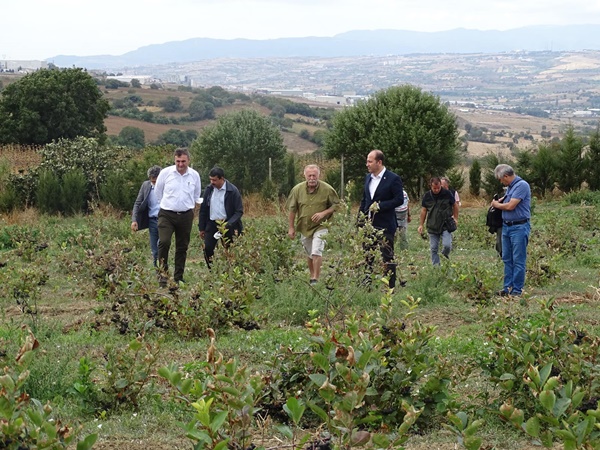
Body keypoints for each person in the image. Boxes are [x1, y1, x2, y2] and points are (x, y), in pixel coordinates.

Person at [154, 148, 201, 285]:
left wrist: (189, 207)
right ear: (174, 160)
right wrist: (168, 204)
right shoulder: (165, 173)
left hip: (186, 215)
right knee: (164, 242)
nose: (180, 164)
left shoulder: (194, 175)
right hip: (167, 214)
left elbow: (196, 195)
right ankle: (163, 276)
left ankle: (178, 277)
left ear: (189, 161)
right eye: (178, 161)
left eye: (183, 161)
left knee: (182, 246)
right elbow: (158, 192)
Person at [287, 164, 340, 285]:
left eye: (314, 175)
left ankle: (316, 278)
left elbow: (336, 205)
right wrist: (291, 227)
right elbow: (292, 209)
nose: (312, 178)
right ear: (305, 175)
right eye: (309, 175)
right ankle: (312, 276)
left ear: (318, 176)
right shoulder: (297, 190)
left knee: (316, 251)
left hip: (321, 226)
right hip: (304, 226)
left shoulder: (327, 189)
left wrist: (323, 213)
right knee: (310, 253)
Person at [358, 150, 404, 289]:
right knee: (368, 254)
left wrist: (380, 206)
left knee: (387, 255)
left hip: (385, 224)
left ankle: (390, 286)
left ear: (379, 162)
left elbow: (399, 199)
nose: (367, 164)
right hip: (369, 224)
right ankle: (367, 283)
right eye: (367, 161)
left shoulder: (393, 178)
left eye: (370, 161)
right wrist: (360, 219)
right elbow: (365, 199)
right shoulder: (368, 178)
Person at [491, 164, 531, 297]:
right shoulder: (510, 187)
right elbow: (508, 201)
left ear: (506, 176)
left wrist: (496, 205)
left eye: (501, 179)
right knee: (507, 258)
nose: (501, 182)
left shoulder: (522, 185)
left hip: (518, 227)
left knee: (518, 259)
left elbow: (511, 206)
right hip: (506, 227)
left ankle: (516, 290)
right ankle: (507, 288)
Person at [198, 167, 244, 267]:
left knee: (229, 249)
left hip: (228, 225)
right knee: (208, 249)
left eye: (214, 180)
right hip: (212, 224)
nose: (212, 182)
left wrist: (229, 224)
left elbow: (239, 211)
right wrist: (201, 228)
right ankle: (212, 271)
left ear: (221, 178)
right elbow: (203, 209)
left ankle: (229, 272)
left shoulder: (232, 191)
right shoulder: (209, 190)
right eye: (210, 179)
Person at [417, 177, 459, 266]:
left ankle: (444, 255)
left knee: (447, 246)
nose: (436, 190)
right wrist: (421, 225)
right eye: (434, 188)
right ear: (430, 186)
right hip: (432, 226)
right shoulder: (427, 196)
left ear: (440, 185)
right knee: (433, 248)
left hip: (445, 225)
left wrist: (455, 218)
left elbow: (455, 205)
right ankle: (436, 268)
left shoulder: (447, 194)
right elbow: (424, 210)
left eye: (438, 188)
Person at [131, 165, 162, 266]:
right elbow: (138, 203)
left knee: (162, 244)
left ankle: (164, 267)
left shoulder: (167, 186)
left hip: (165, 220)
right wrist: (134, 220)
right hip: (152, 220)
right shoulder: (146, 186)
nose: (154, 183)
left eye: (156, 180)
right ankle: (157, 270)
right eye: (152, 181)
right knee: (155, 249)